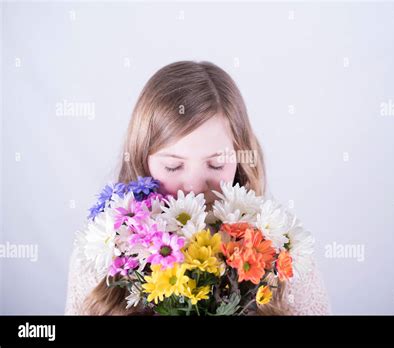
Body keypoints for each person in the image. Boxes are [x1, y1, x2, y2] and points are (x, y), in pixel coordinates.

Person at [64, 61, 330, 315]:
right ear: (140, 159)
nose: (192, 188)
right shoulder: (98, 256)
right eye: (173, 166)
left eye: (215, 165)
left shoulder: (282, 256)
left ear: (240, 159)